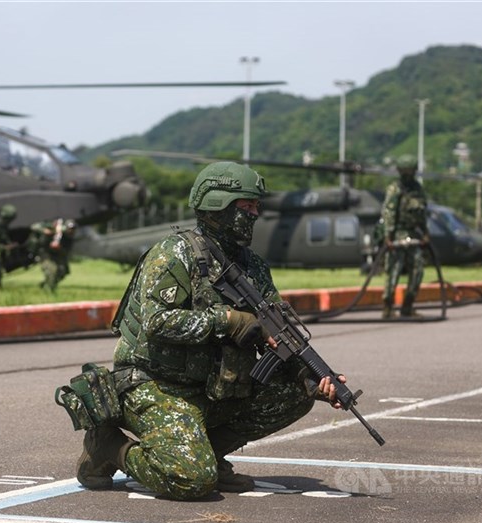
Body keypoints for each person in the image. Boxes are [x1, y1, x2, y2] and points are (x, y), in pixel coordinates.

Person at [74, 161, 346, 500]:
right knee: (192, 480)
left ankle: (211, 455)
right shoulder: (175, 253)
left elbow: (278, 331)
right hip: (157, 386)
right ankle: (109, 446)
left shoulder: (253, 267)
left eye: (256, 206)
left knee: (296, 392)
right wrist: (228, 321)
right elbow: (156, 323)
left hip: (214, 389)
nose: (255, 214)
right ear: (219, 206)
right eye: (247, 206)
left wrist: (313, 378)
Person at [381, 154, 430, 318]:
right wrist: (388, 235)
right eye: (405, 171)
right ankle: (388, 307)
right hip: (397, 235)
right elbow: (389, 212)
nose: (408, 175)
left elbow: (422, 213)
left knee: (418, 270)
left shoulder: (418, 189)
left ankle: (407, 306)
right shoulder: (395, 189)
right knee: (394, 270)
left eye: (411, 171)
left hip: (413, 234)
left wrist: (425, 233)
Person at [28, 218, 76, 292]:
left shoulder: (69, 239)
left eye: (73, 229)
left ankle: (47, 284)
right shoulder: (52, 227)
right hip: (45, 253)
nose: (71, 231)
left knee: (63, 271)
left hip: (58, 255)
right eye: (69, 229)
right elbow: (34, 226)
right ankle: (49, 290)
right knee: (51, 270)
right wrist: (46, 231)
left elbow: (66, 252)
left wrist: (59, 248)